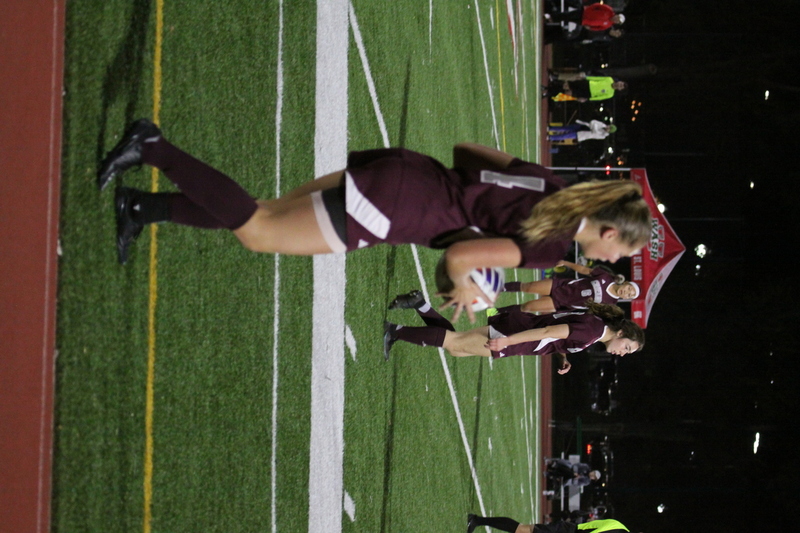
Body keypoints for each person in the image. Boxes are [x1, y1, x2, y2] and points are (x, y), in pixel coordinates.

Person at [98, 119, 650, 322]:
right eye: (619, 251)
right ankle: (153, 147)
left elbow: (466, 149)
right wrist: (463, 293)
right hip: (397, 209)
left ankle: (140, 207)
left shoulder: (552, 186)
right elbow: (460, 260)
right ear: (607, 232)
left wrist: (471, 208)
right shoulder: (550, 248)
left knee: (261, 213)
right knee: (258, 231)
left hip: (408, 171)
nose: (612, 261)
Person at [383, 292, 644, 373]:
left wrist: (562, 356)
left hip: (519, 326)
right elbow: (549, 331)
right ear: (621, 334)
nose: (622, 353)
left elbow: (558, 336)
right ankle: (394, 331)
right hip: (519, 333)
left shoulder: (595, 329)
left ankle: (420, 304)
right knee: (455, 344)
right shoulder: (592, 331)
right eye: (627, 348)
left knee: (458, 347)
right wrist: (508, 341)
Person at [503, 260, 640, 314]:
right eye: (629, 289)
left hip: (563, 303)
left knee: (527, 307)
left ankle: (495, 312)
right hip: (562, 286)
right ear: (626, 283)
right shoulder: (606, 277)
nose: (626, 292)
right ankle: (498, 288)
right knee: (528, 286)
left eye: (630, 295)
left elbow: (591, 314)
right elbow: (584, 270)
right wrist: (566, 263)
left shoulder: (611, 305)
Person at [466, 515, 630, 533]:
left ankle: (477, 520)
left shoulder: (618, 524)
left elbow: (590, 522)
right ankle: (477, 520)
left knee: (523, 530)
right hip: (567, 532)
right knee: (522, 530)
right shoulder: (617, 529)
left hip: (569, 529)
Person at [545, 4, 625, 32]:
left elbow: (598, 28)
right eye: (618, 18)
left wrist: (590, 28)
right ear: (617, 15)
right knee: (568, 14)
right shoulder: (609, 10)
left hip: (584, 21)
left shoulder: (608, 25)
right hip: (584, 12)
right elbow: (598, 6)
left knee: (568, 19)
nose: (616, 20)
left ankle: (552, 19)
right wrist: (588, 9)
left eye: (618, 21)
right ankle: (552, 16)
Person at [544, 77, 626, 102]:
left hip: (587, 93)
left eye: (621, 87)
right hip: (587, 84)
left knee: (568, 93)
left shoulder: (610, 94)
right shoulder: (609, 79)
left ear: (619, 90)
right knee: (566, 85)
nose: (619, 85)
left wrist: (587, 99)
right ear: (620, 81)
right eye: (621, 84)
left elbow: (599, 98)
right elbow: (597, 78)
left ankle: (549, 94)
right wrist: (586, 77)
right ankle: (549, 87)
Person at [548, 121, 617, 143]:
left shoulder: (603, 136)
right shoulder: (602, 124)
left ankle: (551, 137)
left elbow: (594, 132)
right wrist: (593, 127)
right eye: (609, 126)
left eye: (609, 128)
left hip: (582, 134)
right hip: (582, 126)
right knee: (565, 128)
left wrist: (593, 127)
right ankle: (551, 128)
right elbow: (593, 121)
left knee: (566, 136)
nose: (608, 127)